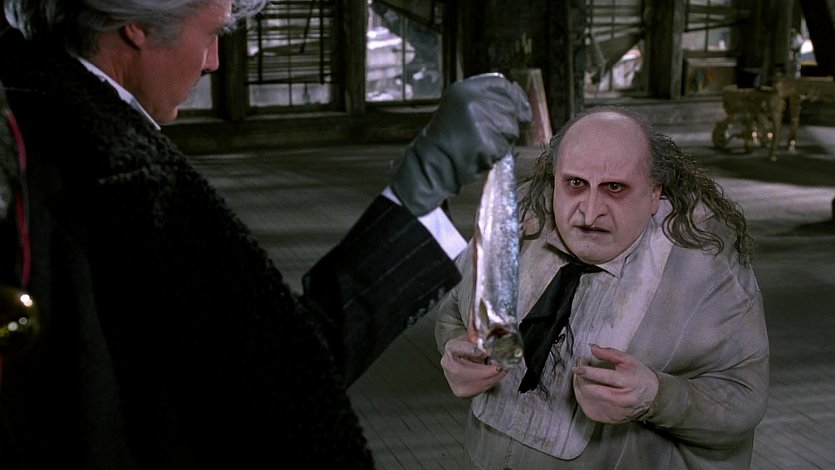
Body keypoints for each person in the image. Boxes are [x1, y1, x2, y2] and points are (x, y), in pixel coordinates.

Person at [0, 0, 532, 468]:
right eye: (211, 33)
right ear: (137, 27)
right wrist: (417, 193)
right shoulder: (93, 178)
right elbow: (255, 385)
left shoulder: (60, 118)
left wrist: (416, 200)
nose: (214, 61)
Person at [434, 106, 769, 469]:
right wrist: (457, 348)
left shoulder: (704, 267)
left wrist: (656, 397)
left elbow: (744, 400)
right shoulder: (516, 224)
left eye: (615, 188)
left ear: (654, 192)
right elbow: (454, 309)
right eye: (575, 184)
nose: (590, 213)